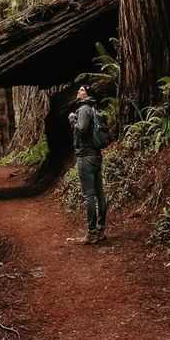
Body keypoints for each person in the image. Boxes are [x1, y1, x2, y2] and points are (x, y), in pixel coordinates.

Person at [68, 85, 108, 245]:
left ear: (87, 94)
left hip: (86, 157)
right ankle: (101, 229)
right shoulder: (93, 108)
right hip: (96, 156)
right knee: (100, 194)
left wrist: (72, 120)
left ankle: (92, 232)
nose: (78, 92)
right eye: (78, 90)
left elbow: (82, 129)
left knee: (89, 195)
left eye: (81, 90)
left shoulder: (84, 108)